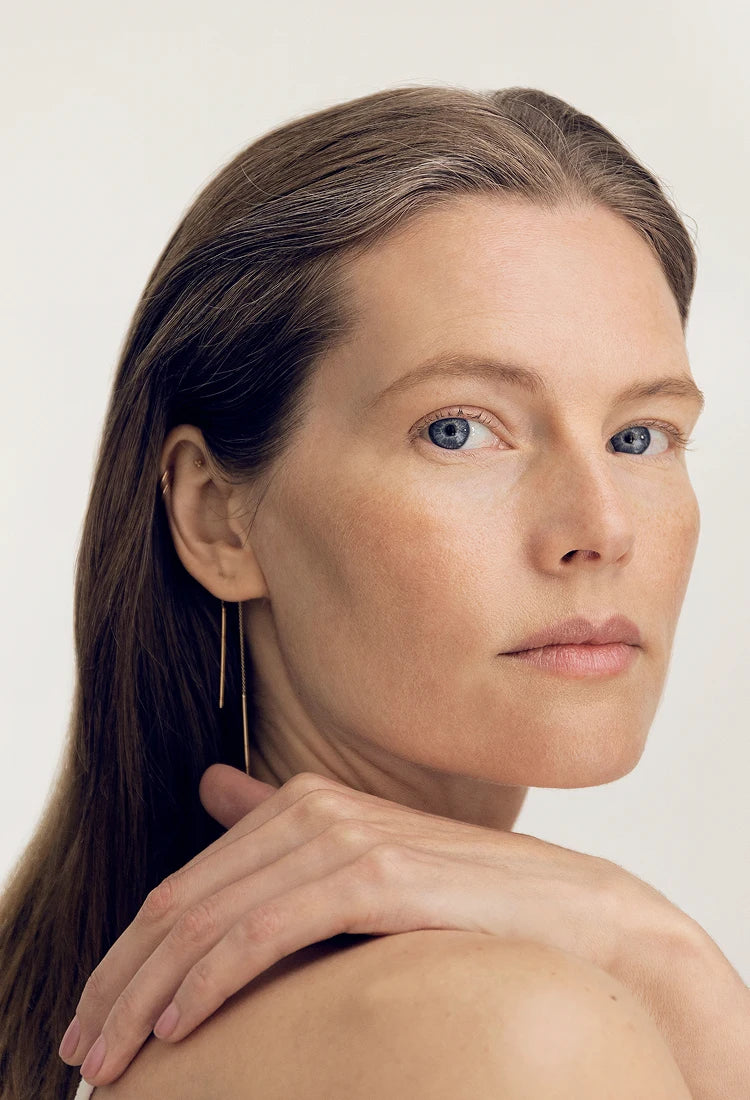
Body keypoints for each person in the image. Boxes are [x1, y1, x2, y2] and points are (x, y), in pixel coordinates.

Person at [1, 83, 747, 1100]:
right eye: (458, 428)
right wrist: (668, 962)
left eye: (638, 435)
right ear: (219, 515)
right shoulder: (513, 1035)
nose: (602, 528)